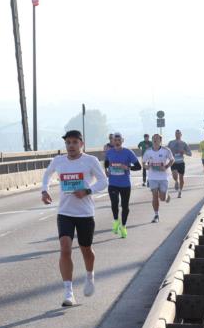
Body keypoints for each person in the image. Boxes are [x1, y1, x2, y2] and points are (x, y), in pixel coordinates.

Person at [41, 130, 108, 306]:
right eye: (68, 143)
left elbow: (103, 181)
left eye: (74, 142)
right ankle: (68, 292)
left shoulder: (90, 161)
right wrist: (44, 190)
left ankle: (89, 276)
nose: (71, 146)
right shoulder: (58, 161)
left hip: (85, 213)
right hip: (65, 212)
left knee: (86, 249)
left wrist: (87, 191)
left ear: (81, 144)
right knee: (65, 248)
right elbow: (47, 174)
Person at [103, 132, 140, 238]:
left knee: (125, 206)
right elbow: (106, 162)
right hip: (113, 183)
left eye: (119, 140)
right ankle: (116, 221)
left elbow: (138, 167)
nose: (117, 142)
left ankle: (123, 226)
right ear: (112, 141)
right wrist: (106, 170)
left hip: (125, 184)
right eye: (115, 140)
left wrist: (128, 168)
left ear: (122, 141)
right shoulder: (109, 152)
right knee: (114, 203)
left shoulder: (128, 152)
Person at [143, 133, 175, 221]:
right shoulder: (148, 151)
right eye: (154, 138)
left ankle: (166, 195)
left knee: (162, 198)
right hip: (152, 177)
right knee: (154, 196)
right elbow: (144, 163)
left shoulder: (166, 150)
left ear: (160, 141)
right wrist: (146, 166)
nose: (155, 140)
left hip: (163, 177)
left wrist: (166, 167)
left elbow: (172, 160)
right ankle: (156, 215)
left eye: (157, 139)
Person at [166, 129, 192, 198]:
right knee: (174, 174)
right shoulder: (171, 142)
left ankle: (180, 191)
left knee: (181, 178)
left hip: (181, 162)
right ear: (175, 134)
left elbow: (190, 154)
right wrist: (170, 154)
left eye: (179, 133)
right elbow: (166, 151)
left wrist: (184, 152)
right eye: (176, 133)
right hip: (174, 162)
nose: (177, 135)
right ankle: (176, 182)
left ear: (181, 135)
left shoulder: (184, 143)